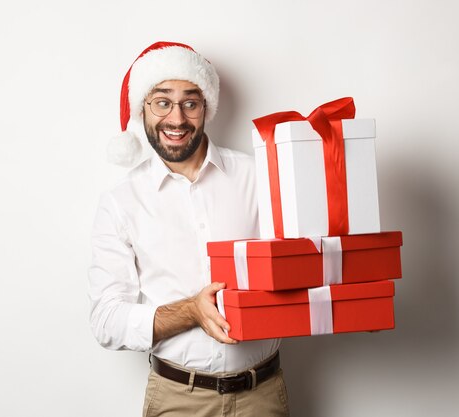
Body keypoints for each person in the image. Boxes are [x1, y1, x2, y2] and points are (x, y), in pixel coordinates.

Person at [88, 41, 290, 417]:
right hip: (178, 399)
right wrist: (190, 311)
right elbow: (106, 320)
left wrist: (351, 299)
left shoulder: (260, 176)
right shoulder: (121, 202)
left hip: (262, 396)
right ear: (142, 110)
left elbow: (299, 262)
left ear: (206, 107)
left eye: (190, 103)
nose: (176, 119)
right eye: (162, 102)